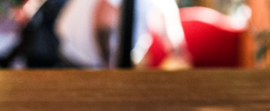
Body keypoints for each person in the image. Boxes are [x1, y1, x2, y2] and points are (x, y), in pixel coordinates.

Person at [54, 0, 191, 68]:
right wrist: (110, 66)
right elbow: (104, 24)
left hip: (106, 63)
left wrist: (177, 54)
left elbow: (169, 22)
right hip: (80, 60)